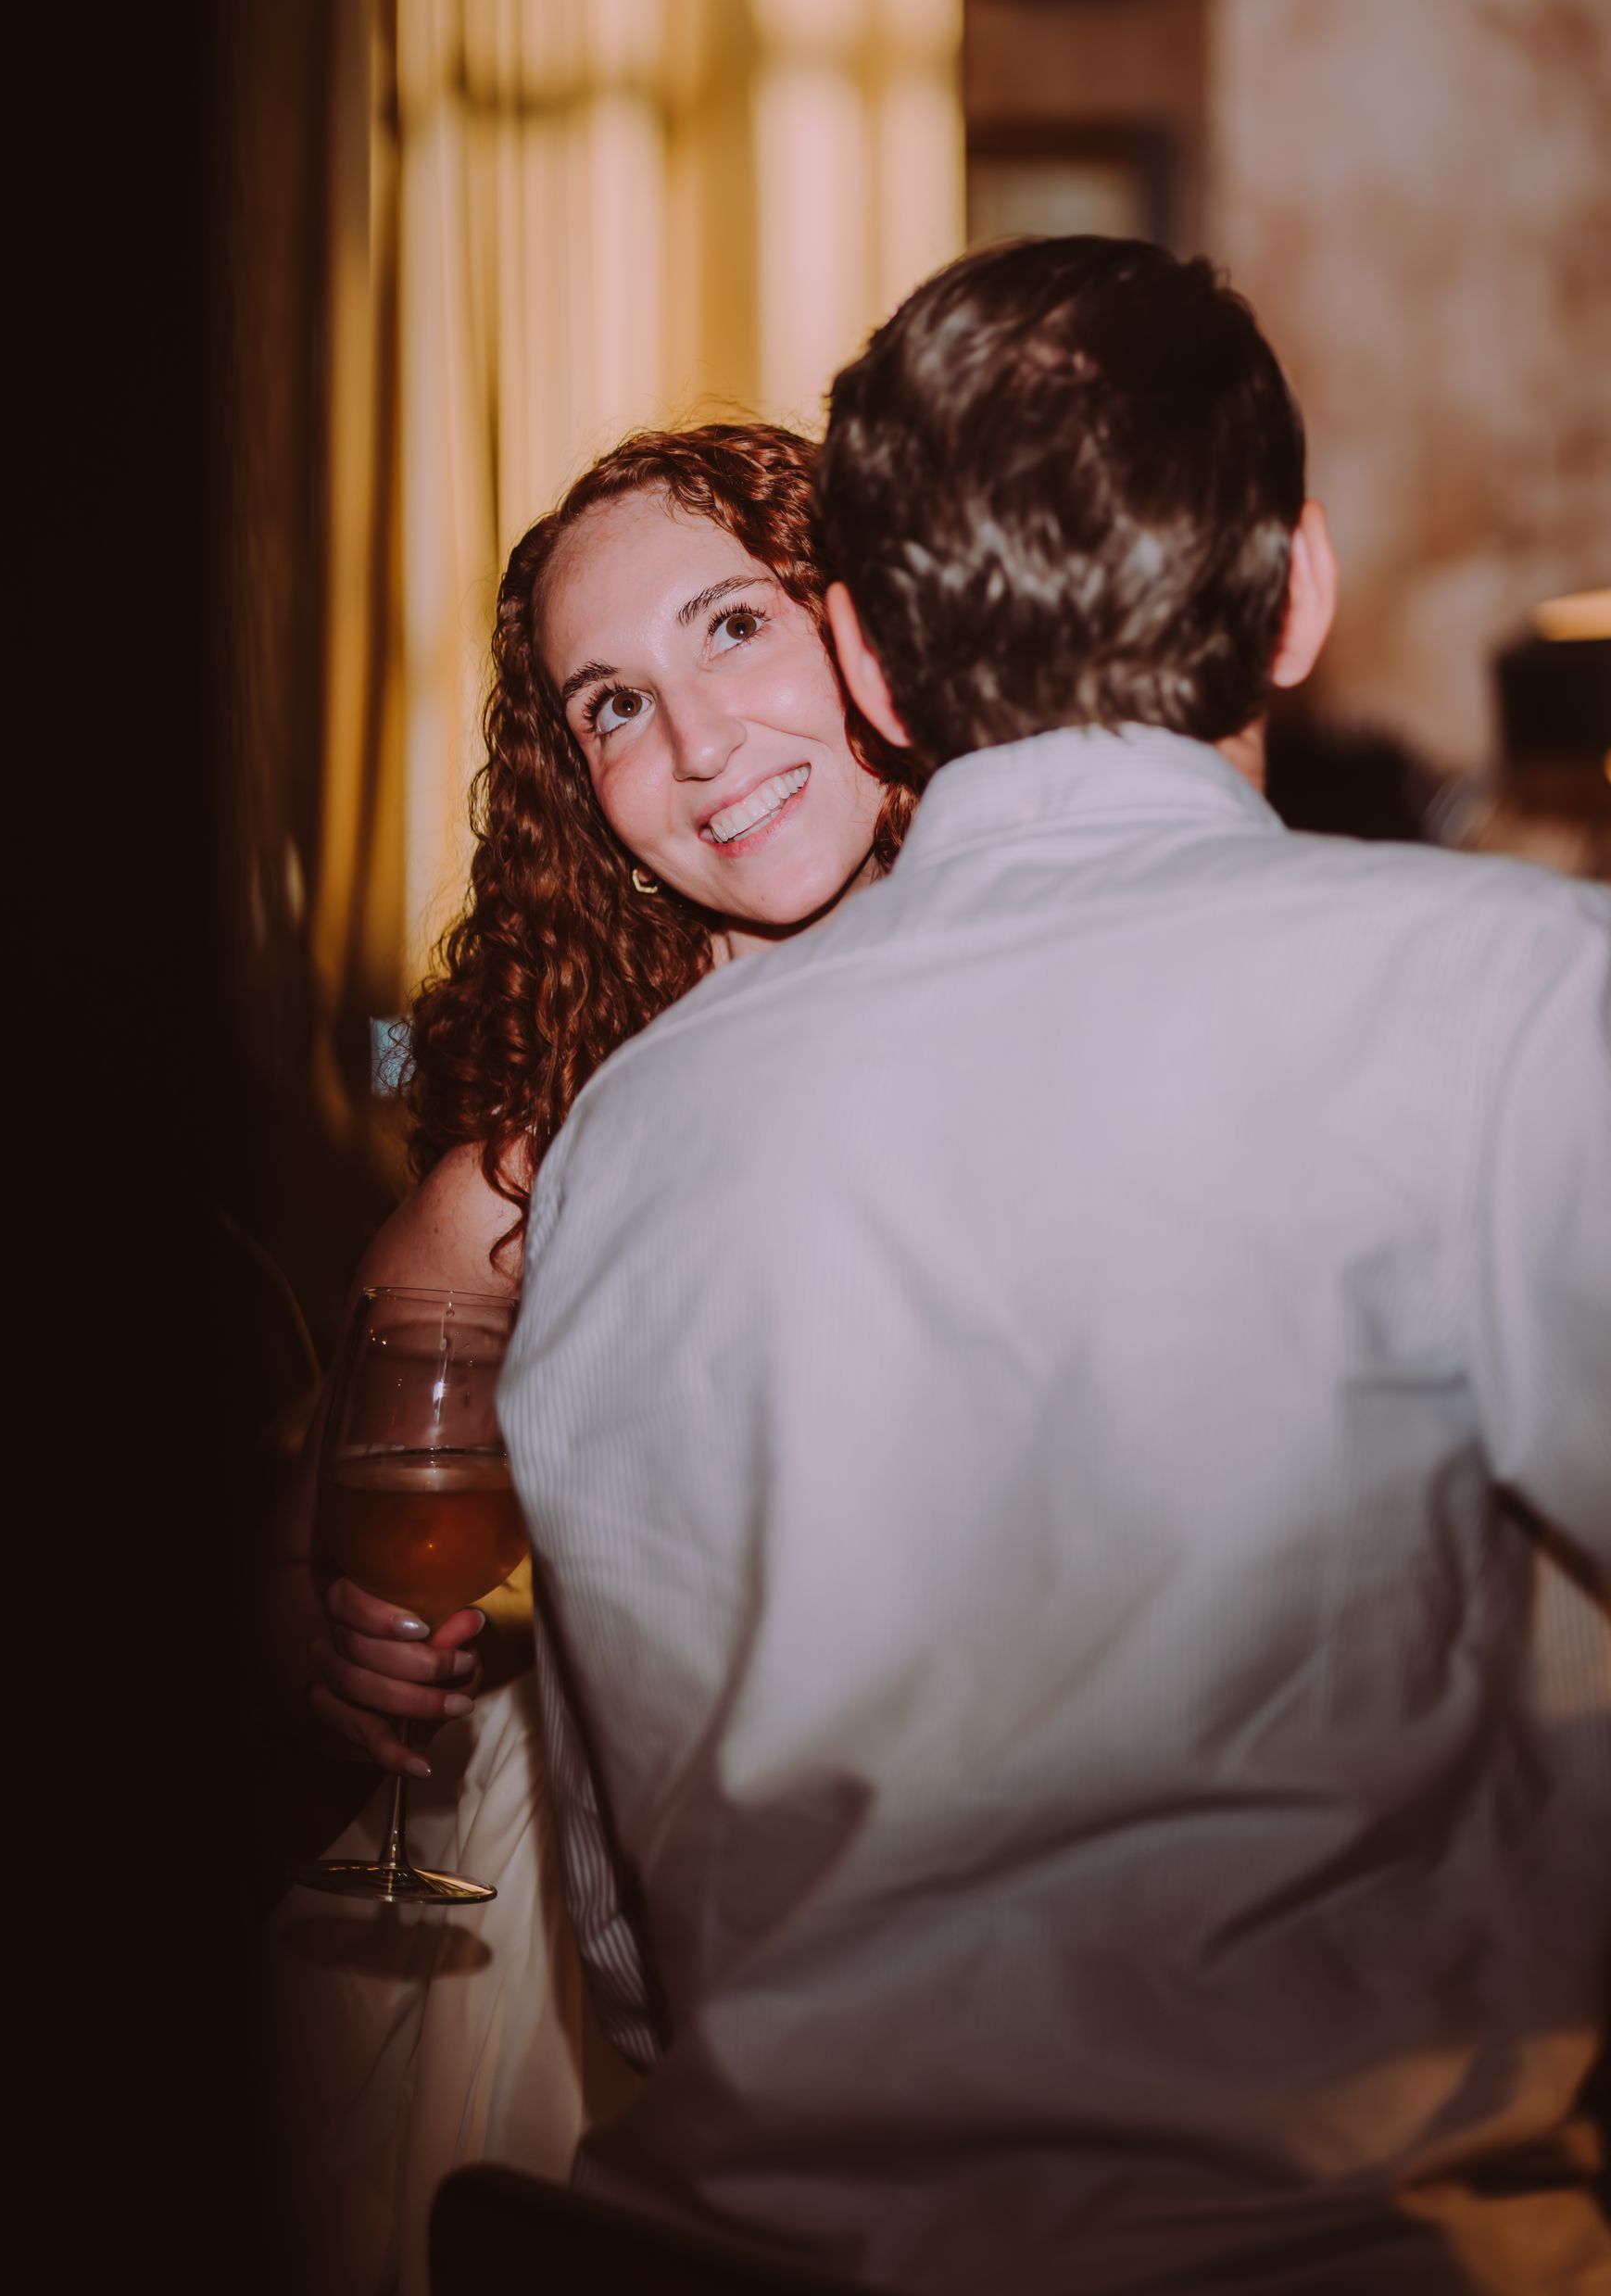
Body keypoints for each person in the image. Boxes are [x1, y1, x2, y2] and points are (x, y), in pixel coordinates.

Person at [496, 238, 1611, 2296]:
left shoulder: (627, 1146)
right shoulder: (1517, 998)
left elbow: (625, 1942)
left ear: (873, 671)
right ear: (1298, 595)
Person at [261, 423, 913, 2296]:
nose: (700, 744)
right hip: (636, 1971)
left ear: (868, 634)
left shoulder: (1066, 1001)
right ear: (578, 784)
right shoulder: (537, 1160)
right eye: (614, 704)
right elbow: (291, 1555)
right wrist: (337, 1640)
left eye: (734, 629)